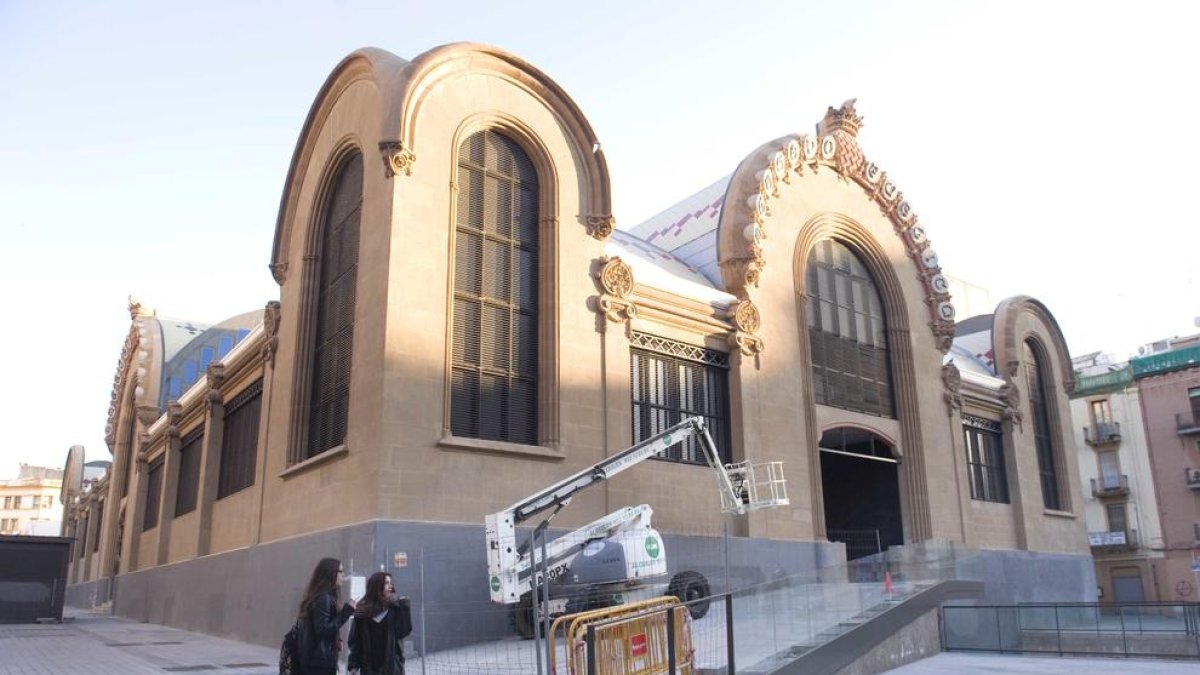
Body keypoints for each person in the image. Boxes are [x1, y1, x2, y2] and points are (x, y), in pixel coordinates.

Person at [296, 557, 356, 675]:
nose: (343, 575)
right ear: (330, 574)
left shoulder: (323, 596)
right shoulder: (324, 598)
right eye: (340, 571)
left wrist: (336, 640)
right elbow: (322, 630)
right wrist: (346, 612)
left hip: (316, 660)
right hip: (319, 663)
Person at [348, 572, 412, 675]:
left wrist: (404, 607)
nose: (390, 586)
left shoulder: (394, 608)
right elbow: (355, 640)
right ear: (377, 586)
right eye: (386, 583)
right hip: (369, 668)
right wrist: (353, 664)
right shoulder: (362, 612)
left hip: (392, 668)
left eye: (391, 583)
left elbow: (403, 632)